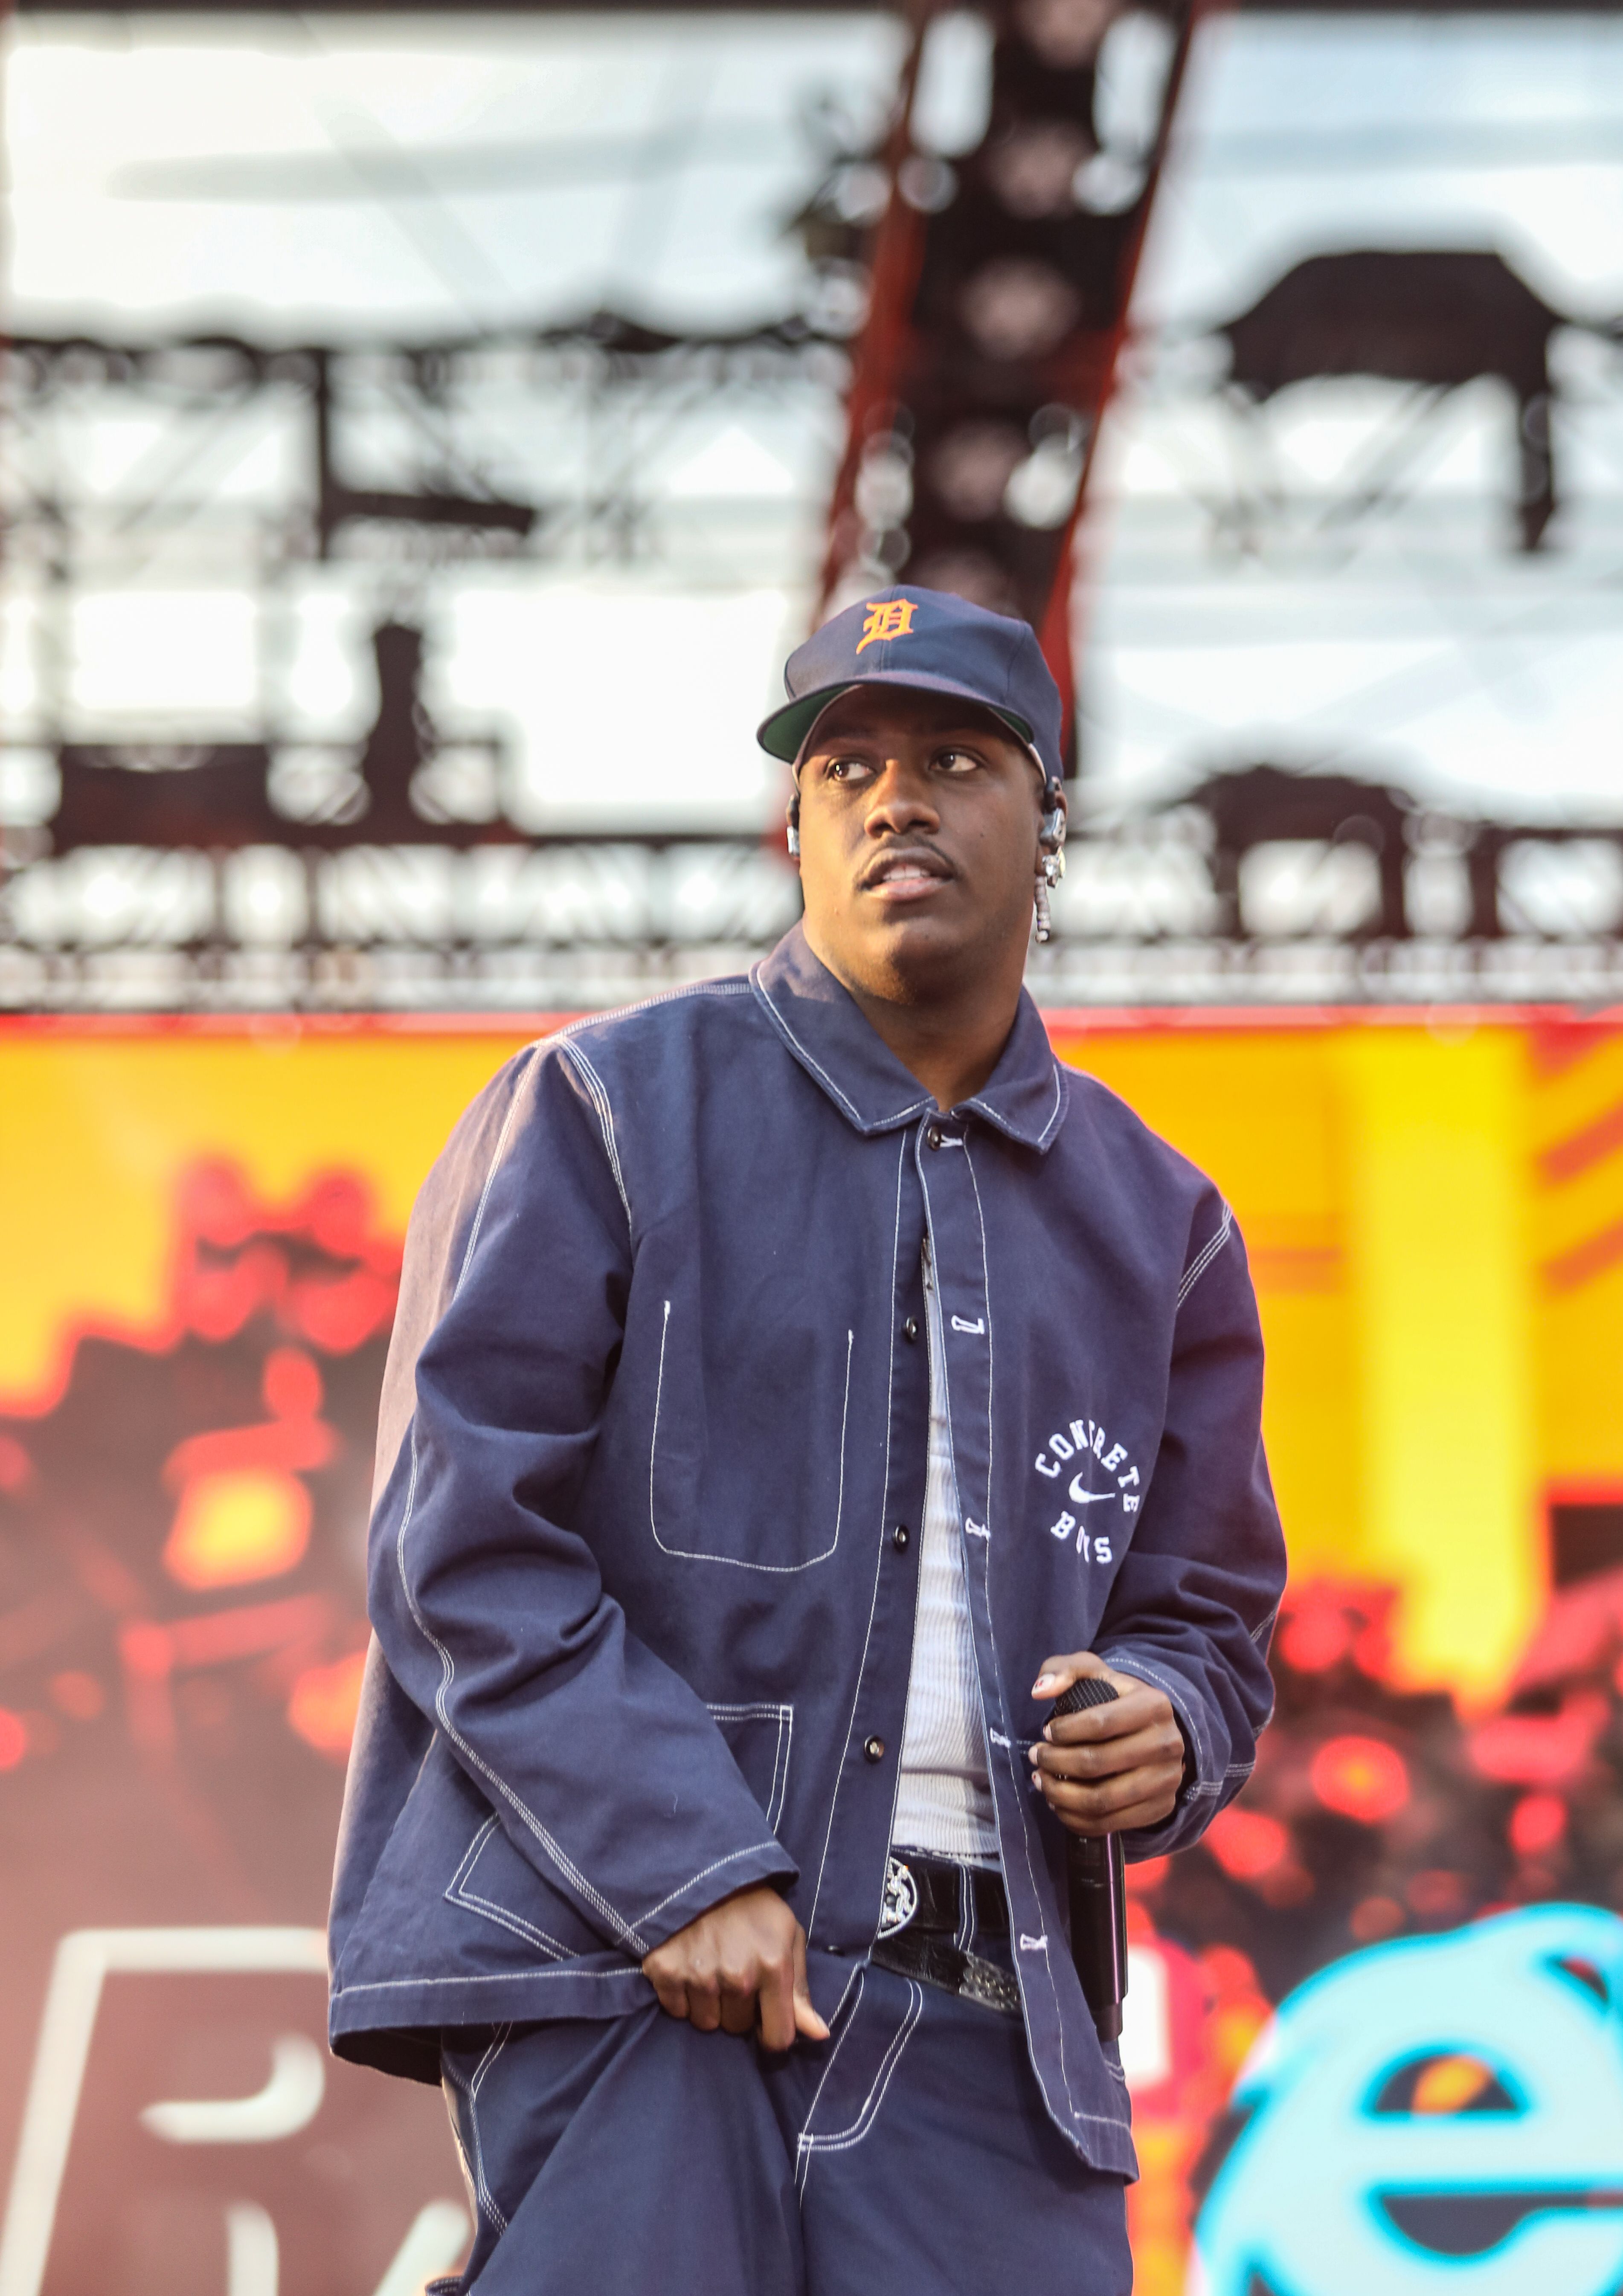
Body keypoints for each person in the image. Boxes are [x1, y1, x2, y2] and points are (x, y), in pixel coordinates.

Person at [328, 585, 1286, 2295]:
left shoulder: (1165, 1222)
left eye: (952, 759)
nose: (892, 799)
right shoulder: (603, 1108)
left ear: (1049, 822)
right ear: (796, 833)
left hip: (1000, 2029)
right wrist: (685, 1859)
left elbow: (1206, 1608)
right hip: (651, 1974)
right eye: (843, 768)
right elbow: (459, 1542)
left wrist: (1177, 1717)